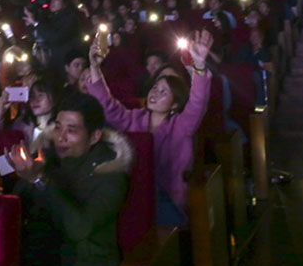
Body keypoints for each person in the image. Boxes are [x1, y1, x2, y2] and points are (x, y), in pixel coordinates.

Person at [84, 30, 214, 225]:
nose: (155, 93)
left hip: (166, 195)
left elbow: (198, 102)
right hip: (135, 191)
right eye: (154, 88)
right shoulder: (135, 118)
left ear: (174, 104)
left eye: (163, 92)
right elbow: (108, 106)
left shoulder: (181, 125)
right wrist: (94, 67)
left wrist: (200, 65)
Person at [6, 92, 131, 266]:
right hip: (40, 259)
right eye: (58, 127)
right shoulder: (46, 156)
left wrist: (40, 180)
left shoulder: (110, 173)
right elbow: (17, 204)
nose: (61, 137)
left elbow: (79, 228)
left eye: (71, 130)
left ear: (94, 136)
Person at [0, 78, 59, 147]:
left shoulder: (59, 128)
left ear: (54, 98)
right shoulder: (23, 124)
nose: (35, 100)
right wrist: (0, 111)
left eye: (40, 95)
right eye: (32, 96)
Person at [25, 0, 80, 73]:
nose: (52, 2)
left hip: (66, 62)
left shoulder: (71, 17)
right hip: (52, 62)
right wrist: (32, 24)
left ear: (65, 2)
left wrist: (36, 24)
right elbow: (38, 35)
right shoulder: (51, 16)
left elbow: (56, 36)